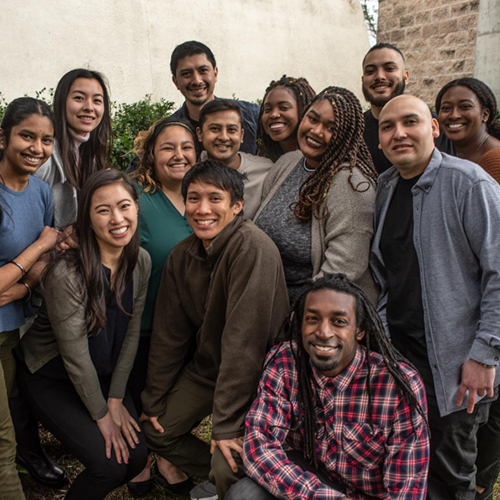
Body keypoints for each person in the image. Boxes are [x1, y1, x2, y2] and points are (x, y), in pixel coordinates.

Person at [371, 94, 500, 500]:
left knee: (450, 472)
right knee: (410, 464)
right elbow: (386, 273)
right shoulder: (385, 187)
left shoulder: (470, 183)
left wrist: (484, 355)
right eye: (388, 126)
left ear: (434, 128)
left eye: (410, 122)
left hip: (457, 364)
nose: (399, 133)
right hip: (402, 354)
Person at [140, 160, 289, 499]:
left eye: (214, 199)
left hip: (260, 377)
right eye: (193, 199)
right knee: (155, 430)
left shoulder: (252, 248)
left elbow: (244, 345)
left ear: (236, 206)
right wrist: (154, 399)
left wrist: (225, 427)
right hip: (209, 369)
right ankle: (232, 477)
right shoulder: (183, 255)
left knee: (227, 462)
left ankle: (237, 480)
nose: (202, 209)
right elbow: (169, 335)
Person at [226, 274, 429, 499]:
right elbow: (259, 447)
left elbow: (406, 490)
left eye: (339, 321)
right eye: (312, 319)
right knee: (245, 495)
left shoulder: (398, 385)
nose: (323, 332)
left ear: (359, 330)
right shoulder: (284, 361)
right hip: (308, 485)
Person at [16, 169, 151, 499]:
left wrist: (117, 398)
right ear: (88, 219)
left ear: (136, 207)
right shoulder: (67, 273)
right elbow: (74, 355)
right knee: (108, 466)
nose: (116, 218)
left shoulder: (141, 261)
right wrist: (103, 416)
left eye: (124, 206)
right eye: (103, 210)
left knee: (136, 459)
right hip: (50, 374)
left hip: (100, 370)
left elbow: (131, 334)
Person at [126, 117, 197, 495]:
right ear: (151, 154)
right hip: (141, 319)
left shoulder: (202, 193)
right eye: (167, 147)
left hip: (188, 322)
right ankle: (140, 458)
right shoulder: (136, 194)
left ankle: (167, 456)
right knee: (139, 389)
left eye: (186, 147)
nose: (178, 155)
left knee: (172, 396)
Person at [255, 86, 378, 305]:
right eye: (313, 119)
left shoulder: (352, 186)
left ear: (345, 136)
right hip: (269, 301)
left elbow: (344, 268)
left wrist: (299, 317)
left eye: (331, 128)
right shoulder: (288, 163)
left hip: (314, 312)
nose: (317, 131)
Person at [0, 97, 60, 499]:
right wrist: (36, 250)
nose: (37, 148)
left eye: (47, 139)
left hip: (10, 332)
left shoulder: (41, 193)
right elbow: (42, 255)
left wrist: (15, 285)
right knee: (4, 438)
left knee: (9, 413)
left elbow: (45, 271)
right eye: (27, 136)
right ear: (3, 137)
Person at [34, 68, 112, 229]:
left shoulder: (90, 154)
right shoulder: (43, 156)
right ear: (62, 102)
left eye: (97, 100)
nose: (89, 107)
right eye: (79, 98)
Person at [361, 42, 454, 174]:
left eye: (389, 68)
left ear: (406, 77)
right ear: (363, 79)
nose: (380, 76)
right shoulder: (355, 130)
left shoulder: (431, 124)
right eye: (370, 71)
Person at [169, 41, 260, 154]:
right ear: (175, 81)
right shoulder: (170, 131)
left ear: (215, 73)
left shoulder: (252, 116)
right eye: (186, 73)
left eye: (203, 71)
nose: (197, 81)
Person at [196, 99, 274, 219]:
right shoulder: (190, 172)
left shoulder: (266, 170)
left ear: (241, 135)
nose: (224, 137)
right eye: (215, 129)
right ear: (200, 134)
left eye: (231, 130)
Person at [436, 77, 500, 183]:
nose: (454, 115)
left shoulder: (495, 161)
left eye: (465, 106)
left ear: (485, 114)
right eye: (446, 108)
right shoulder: (442, 151)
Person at [257, 75, 316, 162]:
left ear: (303, 110)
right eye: (268, 109)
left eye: (283, 108)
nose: (274, 115)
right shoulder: (261, 164)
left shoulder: (316, 163)